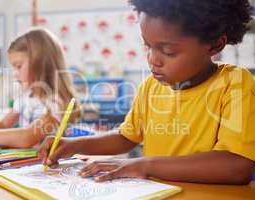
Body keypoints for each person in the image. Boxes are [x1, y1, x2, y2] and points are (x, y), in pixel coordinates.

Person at [37, 0, 255, 185]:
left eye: (168, 51)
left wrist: (144, 165)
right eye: (147, 46)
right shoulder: (151, 86)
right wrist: (74, 145)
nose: (152, 59)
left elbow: (237, 165)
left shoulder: (234, 84)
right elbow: (125, 137)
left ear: (215, 45)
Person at [0, 28, 81, 148]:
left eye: (19, 66)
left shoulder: (56, 102)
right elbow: (4, 124)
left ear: (40, 63)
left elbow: (27, 137)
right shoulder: (27, 95)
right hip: (25, 163)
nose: (16, 73)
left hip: (46, 166)